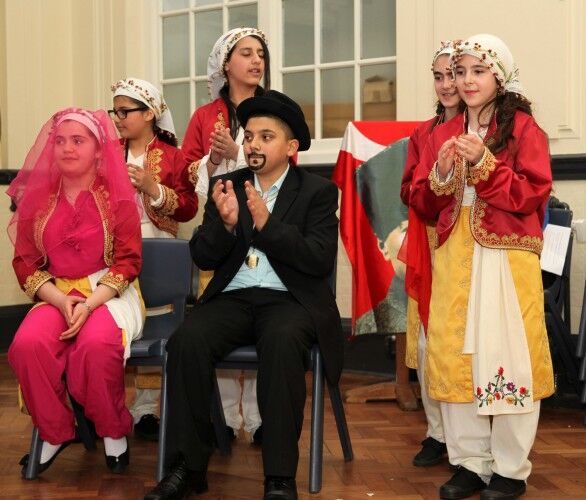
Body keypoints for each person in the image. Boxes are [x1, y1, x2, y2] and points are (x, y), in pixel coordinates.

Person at [144, 90, 343, 500]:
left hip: (289, 300)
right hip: (233, 299)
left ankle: (279, 478)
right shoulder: (227, 186)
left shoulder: (317, 192)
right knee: (187, 341)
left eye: (266, 137)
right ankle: (188, 468)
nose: (253, 145)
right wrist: (227, 226)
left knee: (283, 341)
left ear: (290, 147)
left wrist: (269, 226)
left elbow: (318, 259)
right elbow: (202, 255)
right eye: (249, 136)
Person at [410, 34, 554, 499]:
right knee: (455, 354)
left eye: (478, 71)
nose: (466, 81)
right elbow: (423, 202)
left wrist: (486, 163)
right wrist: (443, 174)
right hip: (454, 254)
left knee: (506, 354)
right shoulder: (444, 134)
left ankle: (510, 468)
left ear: (500, 76)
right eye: (460, 71)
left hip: (507, 256)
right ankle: (470, 461)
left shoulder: (524, 129)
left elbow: (532, 193)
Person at [7, 108, 144, 476]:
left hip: (108, 294)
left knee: (96, 346)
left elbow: (128, 261)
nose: (67, 148)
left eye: (78, 140)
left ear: (99, 150)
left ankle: (112, 430)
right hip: (57, 294)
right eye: (60, 141)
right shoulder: (38, 200)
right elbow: (24, 263)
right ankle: (55, 431)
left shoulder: (117, 198)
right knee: (27, 345)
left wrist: (90, 303)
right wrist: (59, 298)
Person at [182, 27, 271, 444]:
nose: (256, 61)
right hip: (221, 223)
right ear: (226, 64)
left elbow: (289, 164)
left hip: (264, 221)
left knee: (264, 316)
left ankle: (258, 417)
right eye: (246, 53)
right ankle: (223, 421)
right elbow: (186, 173)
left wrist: (239, 154)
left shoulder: (273, 108)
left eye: (261, 54)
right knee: (219, 317)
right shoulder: (204, 117)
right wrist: (212, 160)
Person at [110, 77, 197, 441]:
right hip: (112, 251)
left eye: (124, 112)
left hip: (156, 247)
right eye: (114, 112)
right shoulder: (106, 153)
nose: (117, 119)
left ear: (149, 114)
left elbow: (189, 207)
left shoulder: (173, 156)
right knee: (116, 321)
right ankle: (109, 407)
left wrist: (152, 188)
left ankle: (147, 408)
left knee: (154, 320)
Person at [400, 40, 463, 468]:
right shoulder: (422, 134)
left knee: (460, 340)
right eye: (438, 77)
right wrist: (428, 185)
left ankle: (466, 437)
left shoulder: (486, 129)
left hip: (467, 242)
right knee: (427, 339)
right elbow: (408, 188)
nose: (446, 84)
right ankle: (437, 432)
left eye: (453, 74)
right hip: (429, 242)